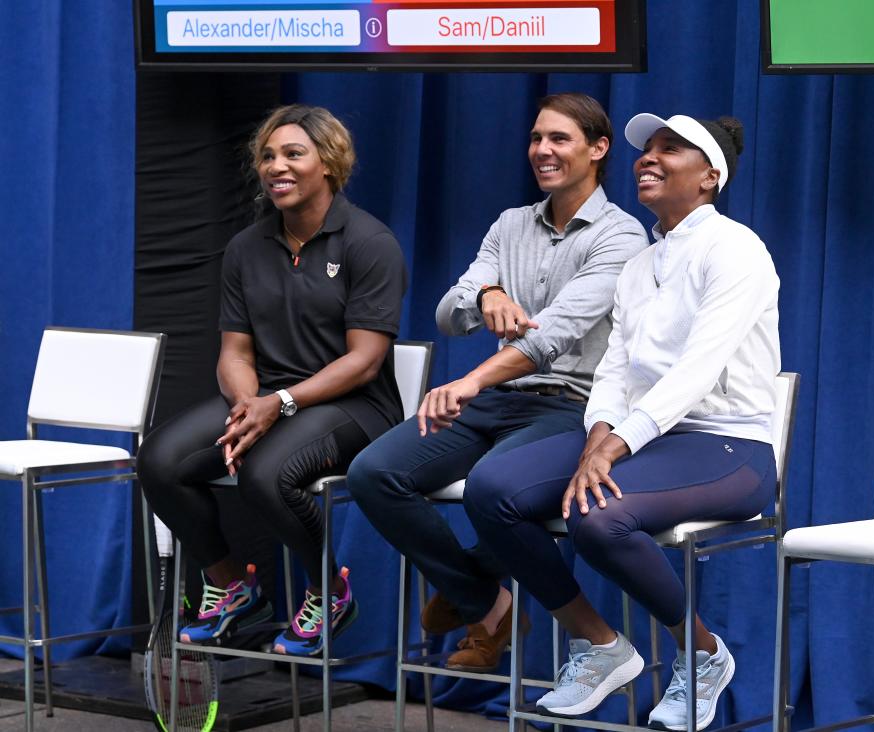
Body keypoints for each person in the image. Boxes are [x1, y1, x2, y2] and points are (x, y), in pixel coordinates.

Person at [463, 114, 781, 730]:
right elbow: (615, 369)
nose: (648, 158)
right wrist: (601, 432)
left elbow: (695, 369)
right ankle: (600, 645)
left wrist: (610, 446)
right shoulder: (640, 265)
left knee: (599, 515)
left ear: (710, 177)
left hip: (730, 446)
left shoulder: (737, 248)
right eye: (646, 149)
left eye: (671, 150)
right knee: (493, 489)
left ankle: (704, 655)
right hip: (643, 436)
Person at [346, 93, 647, 671]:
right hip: (500, 397)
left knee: (493, 486)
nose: (542, 150)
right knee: (374, 473)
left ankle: (481, 592)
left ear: (598, 148)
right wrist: (487, 294)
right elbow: (447, 312)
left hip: (573, 407)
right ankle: (485, 600)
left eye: (559, 139)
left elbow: (550, 338)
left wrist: (469, 381)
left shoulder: (621, 236)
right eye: (536, 138)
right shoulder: (510, 225)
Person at [138, 104, 408, 658]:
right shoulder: (245, 247)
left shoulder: (369, 242)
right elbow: (234, 351)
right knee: (161, 461)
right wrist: (246, 406)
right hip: (268, 398)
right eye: (267, 155)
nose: (275, 166)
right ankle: (230, 584)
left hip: (355, 405)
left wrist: (278, 404)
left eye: (293, 153)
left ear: (329, 164)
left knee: (266, 474)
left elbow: (365, 360)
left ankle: (329, 592)